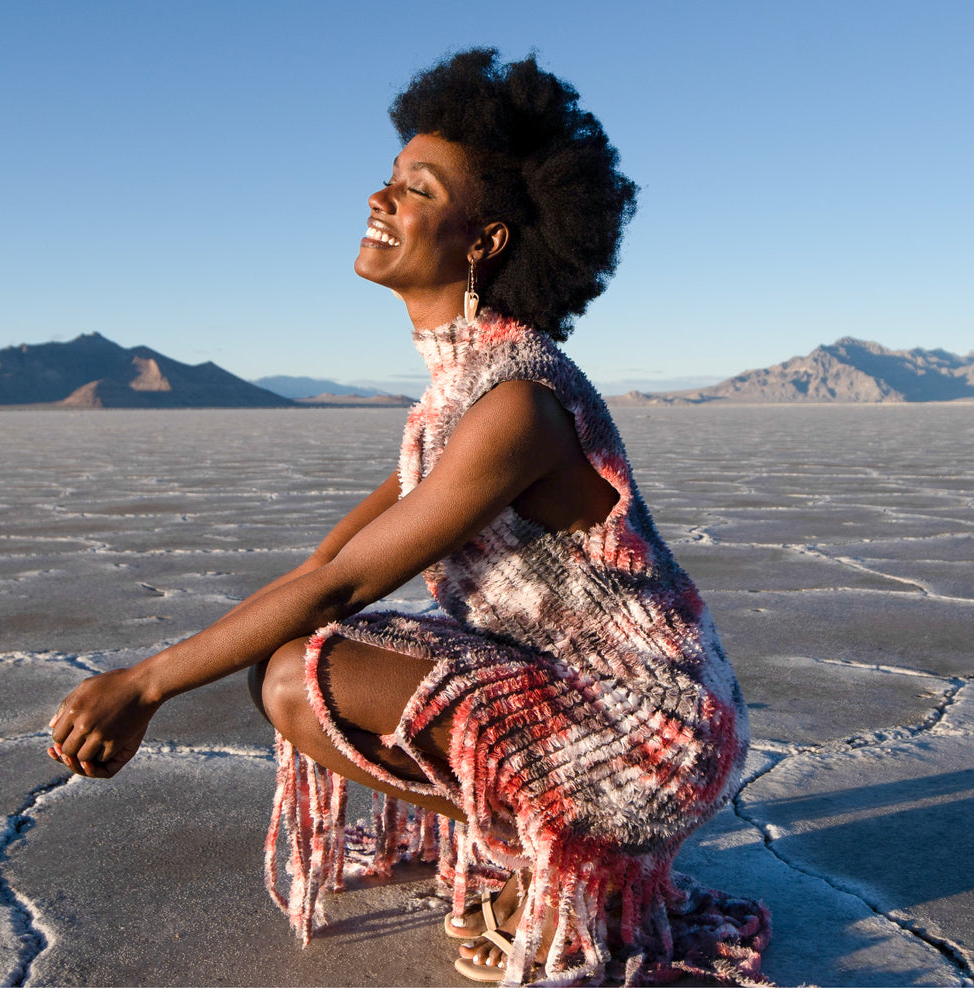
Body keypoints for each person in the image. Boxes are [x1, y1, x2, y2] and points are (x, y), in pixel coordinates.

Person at [47, 49, 768, 985]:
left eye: (415, 190)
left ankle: (573, 868)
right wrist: (191, 659)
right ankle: (541, 847)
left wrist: (144, 687)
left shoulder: (515, 403)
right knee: (311, 653)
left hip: (655, 724)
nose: (380, 200)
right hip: (577, 681)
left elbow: (337, 582)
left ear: (485, 241)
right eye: (389, 181)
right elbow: (329, 565)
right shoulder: (455, 391)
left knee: (301, 683)